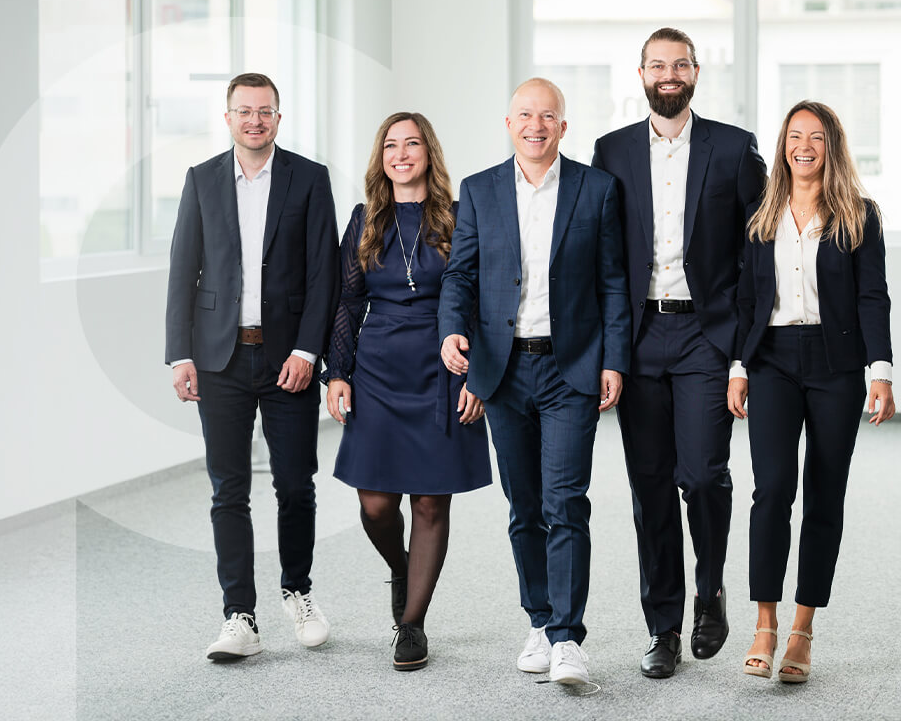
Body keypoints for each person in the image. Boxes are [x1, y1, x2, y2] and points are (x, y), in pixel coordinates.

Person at [438, 78, 630, 688]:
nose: (536, 126)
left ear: (563, 127)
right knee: (523, 507)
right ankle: (540, 622)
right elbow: (460, 277)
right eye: (525, 114)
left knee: (565, 501)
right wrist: (450, 331)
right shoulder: (479, 190)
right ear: (508, 122)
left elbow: (613, 283)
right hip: (503, 369)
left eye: (548, 116)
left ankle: (569, 637)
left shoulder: (597, 189)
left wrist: (613, 360)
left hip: (570, 367)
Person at [591, 27, 767, 677]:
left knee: (701, 476)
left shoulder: (734, 148)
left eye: (680, 64)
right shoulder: (610, 152)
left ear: (696, 72)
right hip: (638, 339)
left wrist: (744, 353)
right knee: (651, 490)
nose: (669, 74)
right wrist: (606, 351)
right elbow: (603, 258)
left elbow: (760, 252)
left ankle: (710, 587)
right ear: (640, 73)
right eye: (657, 65)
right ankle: (662, 627)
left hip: (705, 335)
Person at [164, 72, 339, 662]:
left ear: (279, 118)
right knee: (228, 488)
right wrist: (181, 353)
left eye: (265, 111)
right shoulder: (202, 180)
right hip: (220, 358)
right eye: (244, 111)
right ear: (228, 117)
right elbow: (183, 271)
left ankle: (299, 591)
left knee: (295, 484)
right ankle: (239, 614)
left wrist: (307, 351)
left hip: (288, 356)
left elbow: (325, 276)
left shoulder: (309, 180)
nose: (255, 120)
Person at [728, 100, 895, 684]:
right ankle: (764, 622)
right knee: (771, 489)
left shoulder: (858, 215)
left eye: (816, 137)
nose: (804, 146)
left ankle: (802, 629)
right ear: (783, 146)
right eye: (795, 136)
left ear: (832, 147)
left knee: (825, 493)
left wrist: (881, 371)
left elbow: (873, 295)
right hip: (771, 358)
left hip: (837, 364)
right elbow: (748, 300)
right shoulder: (761, 214)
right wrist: (738, 367)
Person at [323, 112, 491, 671]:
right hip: (377, 367)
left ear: (428, 153)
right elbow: (347, 301)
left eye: (412, 143)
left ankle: (412, 624)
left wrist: (478, 377)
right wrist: (338, 372)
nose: (401, 154)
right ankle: (402, 566)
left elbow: (484, 303)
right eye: (391, 145)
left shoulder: (461, 216)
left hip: (445, 365)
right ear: (381, 157)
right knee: (375, 502)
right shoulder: (365, 217)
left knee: (428, 499)